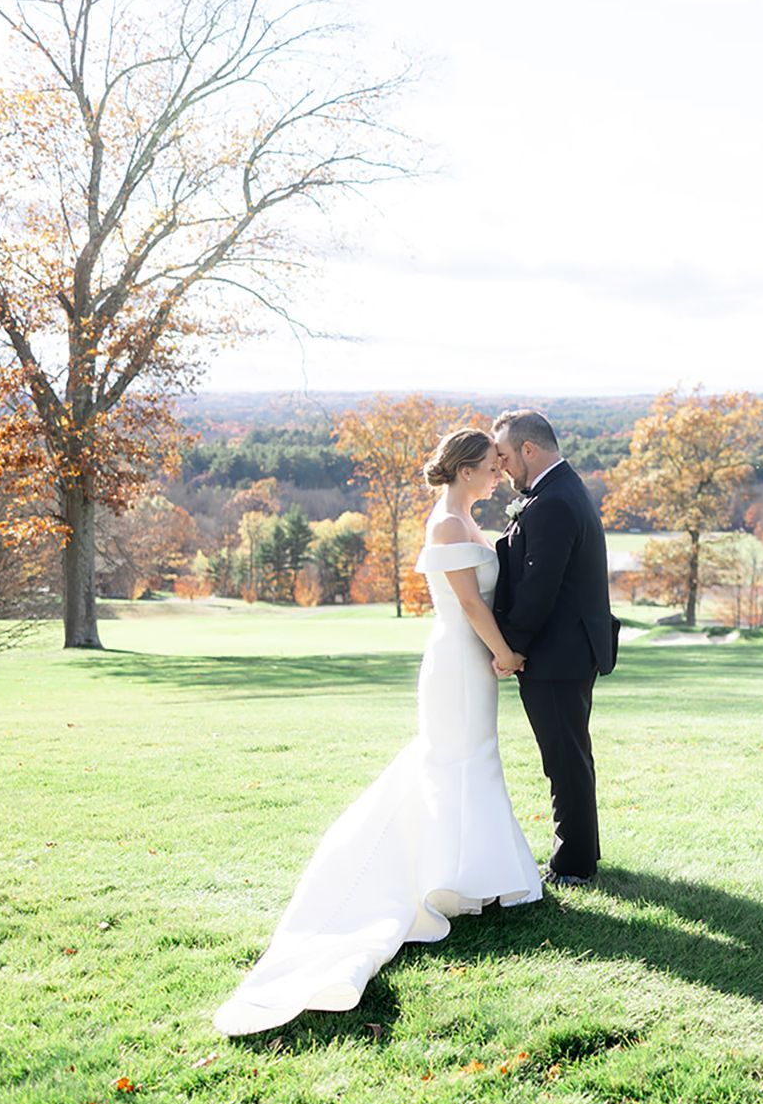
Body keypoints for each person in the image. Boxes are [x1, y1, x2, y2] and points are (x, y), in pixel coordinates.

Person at [212, 428, 540, 1036]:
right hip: (462, 659)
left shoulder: (461, 519)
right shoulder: (446, 525)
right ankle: (449, 877)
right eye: (492, 466)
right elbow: (470, 604)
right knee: (455, 761)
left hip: (472, 659)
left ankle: (470, 874)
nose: (499, 473)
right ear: (466, 468)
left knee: (472, 760)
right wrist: (506, 655)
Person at [490, 409, 618, 887]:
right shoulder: (559, 489)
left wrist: (510, 649)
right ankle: (583, 851)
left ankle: (574, 864)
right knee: (568, 755)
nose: (500, 466)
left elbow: (539, 590)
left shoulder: (552, 502)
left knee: (564, 759)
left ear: (529, 449)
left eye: (503, 455)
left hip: (557, 653)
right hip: (568, 648)